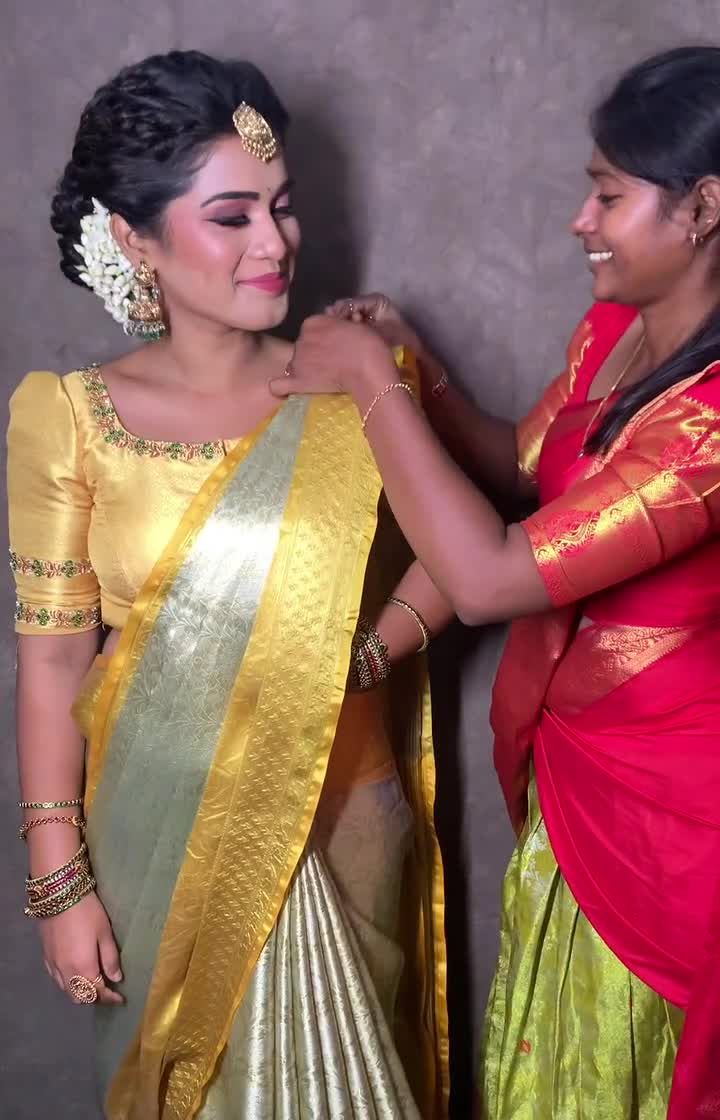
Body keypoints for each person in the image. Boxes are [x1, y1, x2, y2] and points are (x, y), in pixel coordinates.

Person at [274, 45, 720, 1119]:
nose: (579, 220)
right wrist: (415, 369)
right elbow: (524, 469)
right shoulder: (616, 333)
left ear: (704, 208)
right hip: (576, 775)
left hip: (671, 818)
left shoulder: (709, 427)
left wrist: (371, 385)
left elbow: (489, 576)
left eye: (608, 195)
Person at [8, 51, 452, 1119]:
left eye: (282, 206)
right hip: (156, 828)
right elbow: (55, 663)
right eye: (232, 216)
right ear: (134, 238)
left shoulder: (353, 380)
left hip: (346, 813)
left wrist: (365, 653)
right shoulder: (69, 417)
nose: (276, 243)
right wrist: (59, 880)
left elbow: (458, 552)